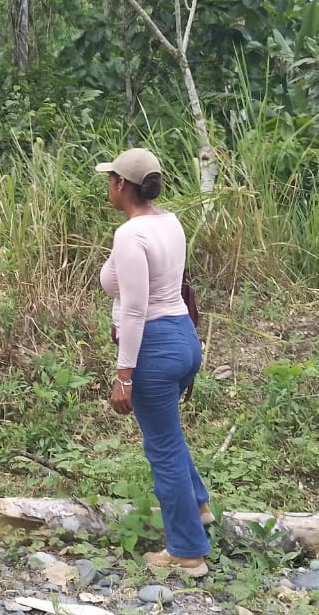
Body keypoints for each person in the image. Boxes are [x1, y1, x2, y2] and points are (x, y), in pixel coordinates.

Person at [97, 147, 211, 576]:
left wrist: (124, 374)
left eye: (110, 180)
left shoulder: (131, 235)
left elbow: (134, 309)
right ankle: (198, 507)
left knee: (162, 447)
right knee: (169, 435)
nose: (108, 187)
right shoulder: (168, 221)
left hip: (155, 346)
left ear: (121, 185)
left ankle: (187, 551)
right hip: (184, 338)